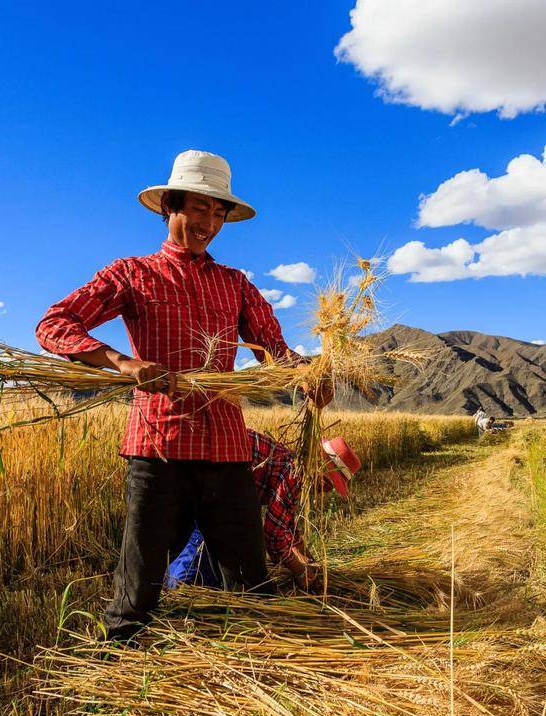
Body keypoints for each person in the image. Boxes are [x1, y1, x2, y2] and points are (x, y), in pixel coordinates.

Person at [35, 149, 333, 642]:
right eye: (200, 209)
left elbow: (275, 352)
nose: (210, 223)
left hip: (225, 450)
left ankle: (258, 669)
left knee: (249, 580)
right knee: (139, 586)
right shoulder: (132, 274)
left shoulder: (235, 285)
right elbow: (54, 325)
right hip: (159, 446)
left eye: (219, 214)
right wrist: (124, 363)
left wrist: (308, 375)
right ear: (169, 207)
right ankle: (119, 666)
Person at [167, 429, 362, 591]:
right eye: (330, 484)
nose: (327, 491)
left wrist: (308, 558)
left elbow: (285, 521)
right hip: (214, 482)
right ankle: (178, 593)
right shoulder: (295, 474)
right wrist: (299, 571)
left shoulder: (291, 465)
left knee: (211, 557)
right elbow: (273, 534)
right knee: (199, 555)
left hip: (213, 478)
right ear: (320, 468)